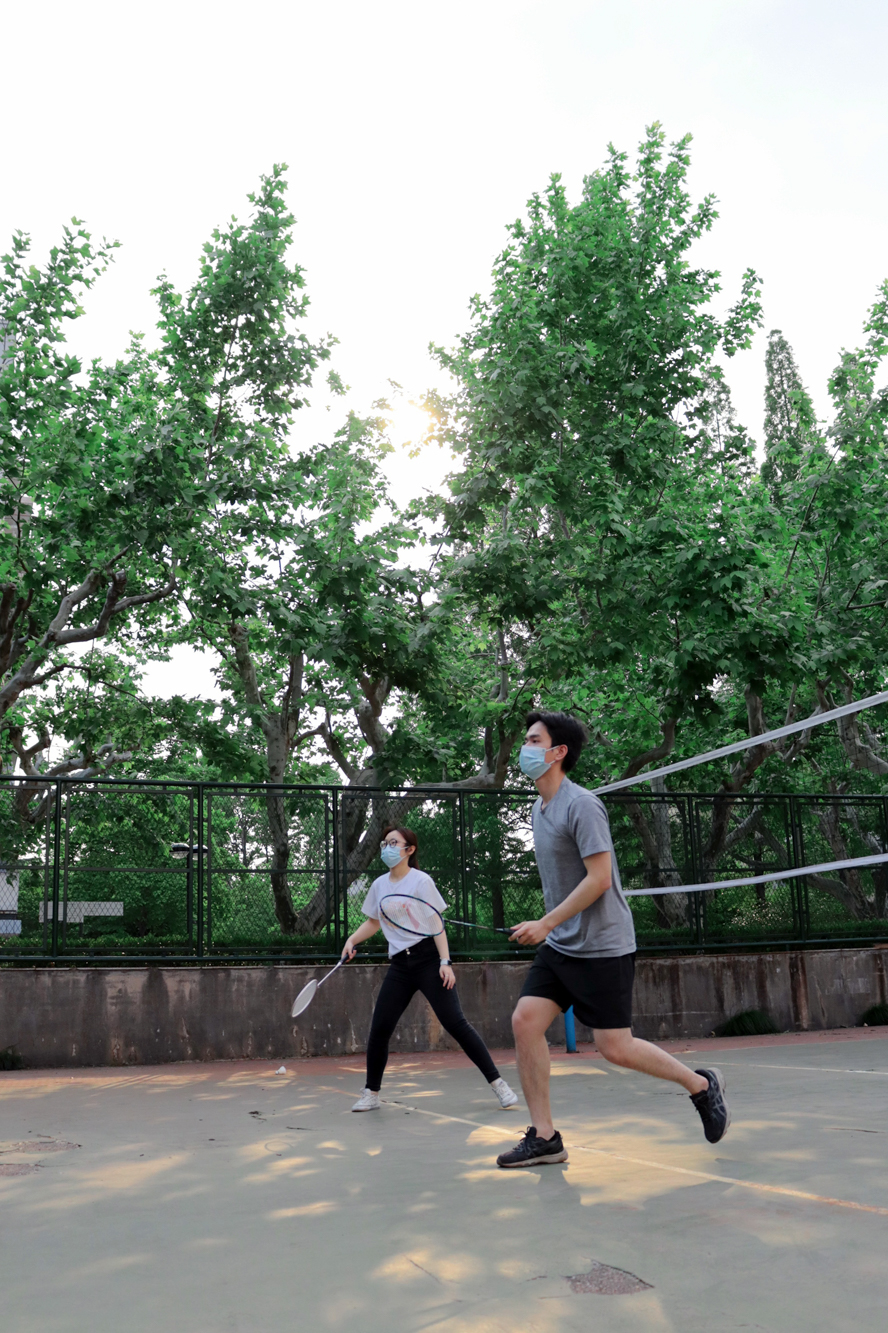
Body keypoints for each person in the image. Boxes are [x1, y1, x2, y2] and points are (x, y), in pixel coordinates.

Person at [496, 710, 731, 1168]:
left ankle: (702, 1086)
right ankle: (545, 1137)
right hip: (562, 945)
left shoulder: (581, 805)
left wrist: (545, 923)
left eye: (534, 740)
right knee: (525, 1021)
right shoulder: (539, 809)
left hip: (603, 944)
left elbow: (600, 878)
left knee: (614, 1047)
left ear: (558, 752)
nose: (525, 748)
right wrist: (550, 927)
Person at [343, 823, 518, 1113]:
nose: (387, 848)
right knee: (380, 1028)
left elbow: (436, 924)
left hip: (427, 959)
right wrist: (351, 939)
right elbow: (374, 922)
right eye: (385, 843)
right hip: (400, 965)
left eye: (393, 843)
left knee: (456, 1023)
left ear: (409, 850)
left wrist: (445, 962)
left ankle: (499, 1084)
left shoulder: (421, 882)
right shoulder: (379, 886)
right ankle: (371, 1093)